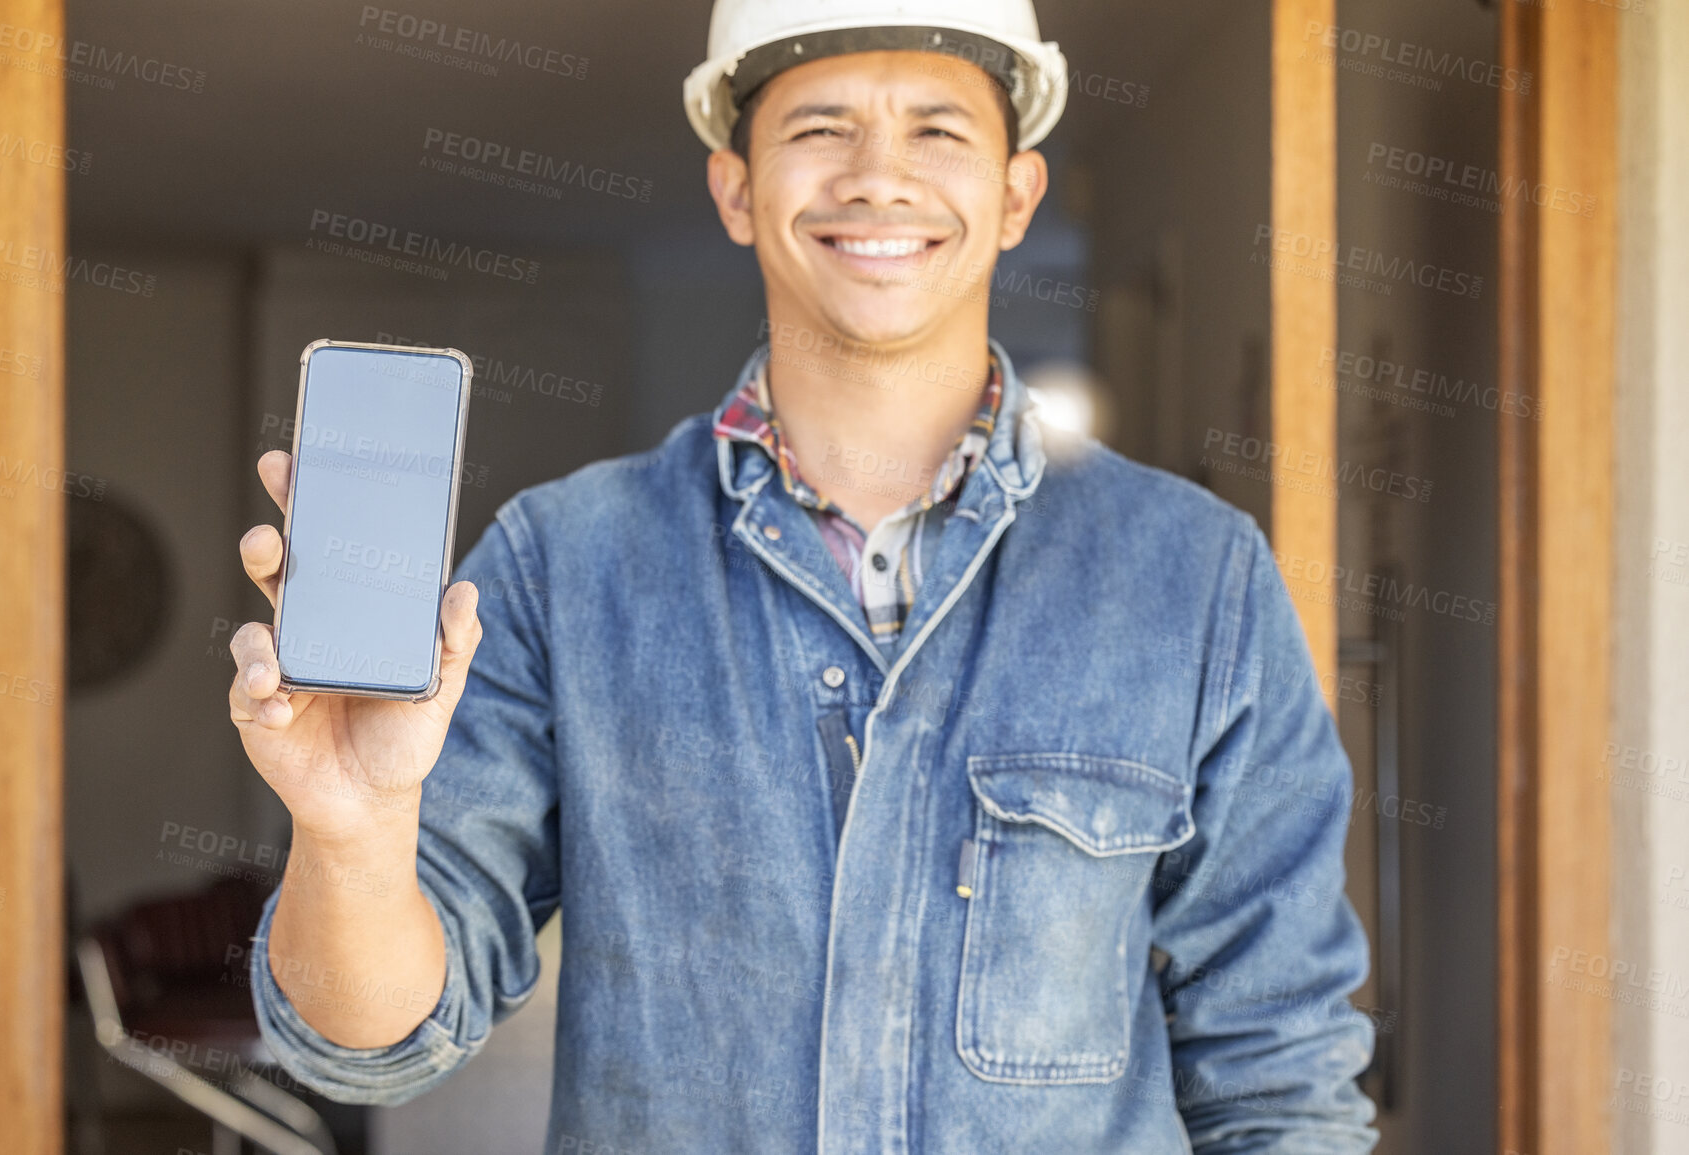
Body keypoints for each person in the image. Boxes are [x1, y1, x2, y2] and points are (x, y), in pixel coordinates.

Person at [229, 0, 1380, 1149]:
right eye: (821, 128)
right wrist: (353, 832)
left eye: (937, 130)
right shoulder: (562, 565)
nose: (879, 178)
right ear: (735, 189)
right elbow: (369, 1044)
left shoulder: (1197, 578)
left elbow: (1280, 1076)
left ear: (1017, 195)